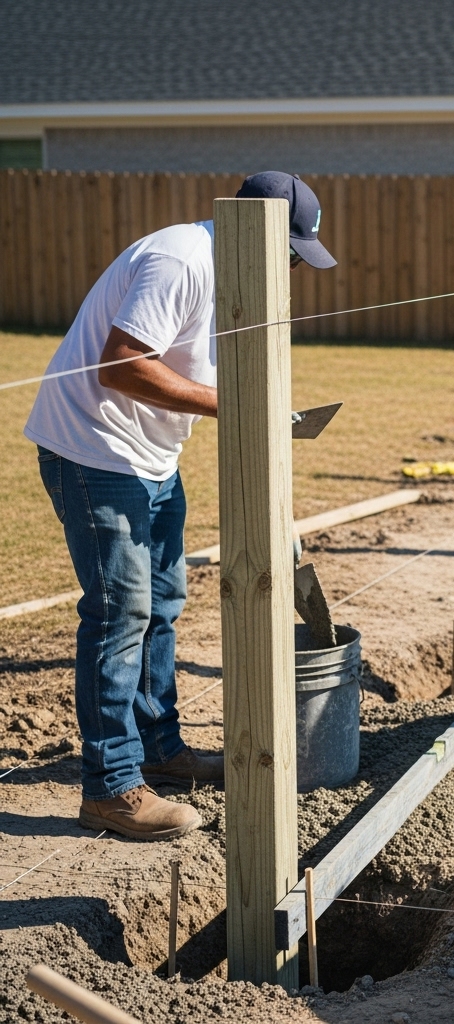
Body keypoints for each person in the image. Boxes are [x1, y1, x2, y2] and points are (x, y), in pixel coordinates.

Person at [24, 171, 337, 839]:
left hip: (151, 461)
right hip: (93, 450)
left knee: (163, 601)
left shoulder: (236, 278)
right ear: (252, 233)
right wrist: (237, 406)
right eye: (287, 253)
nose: (290, 269)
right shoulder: (183, 260)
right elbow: (121, 366)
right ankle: (110, 786)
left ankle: (160, 751)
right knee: (120, 611)